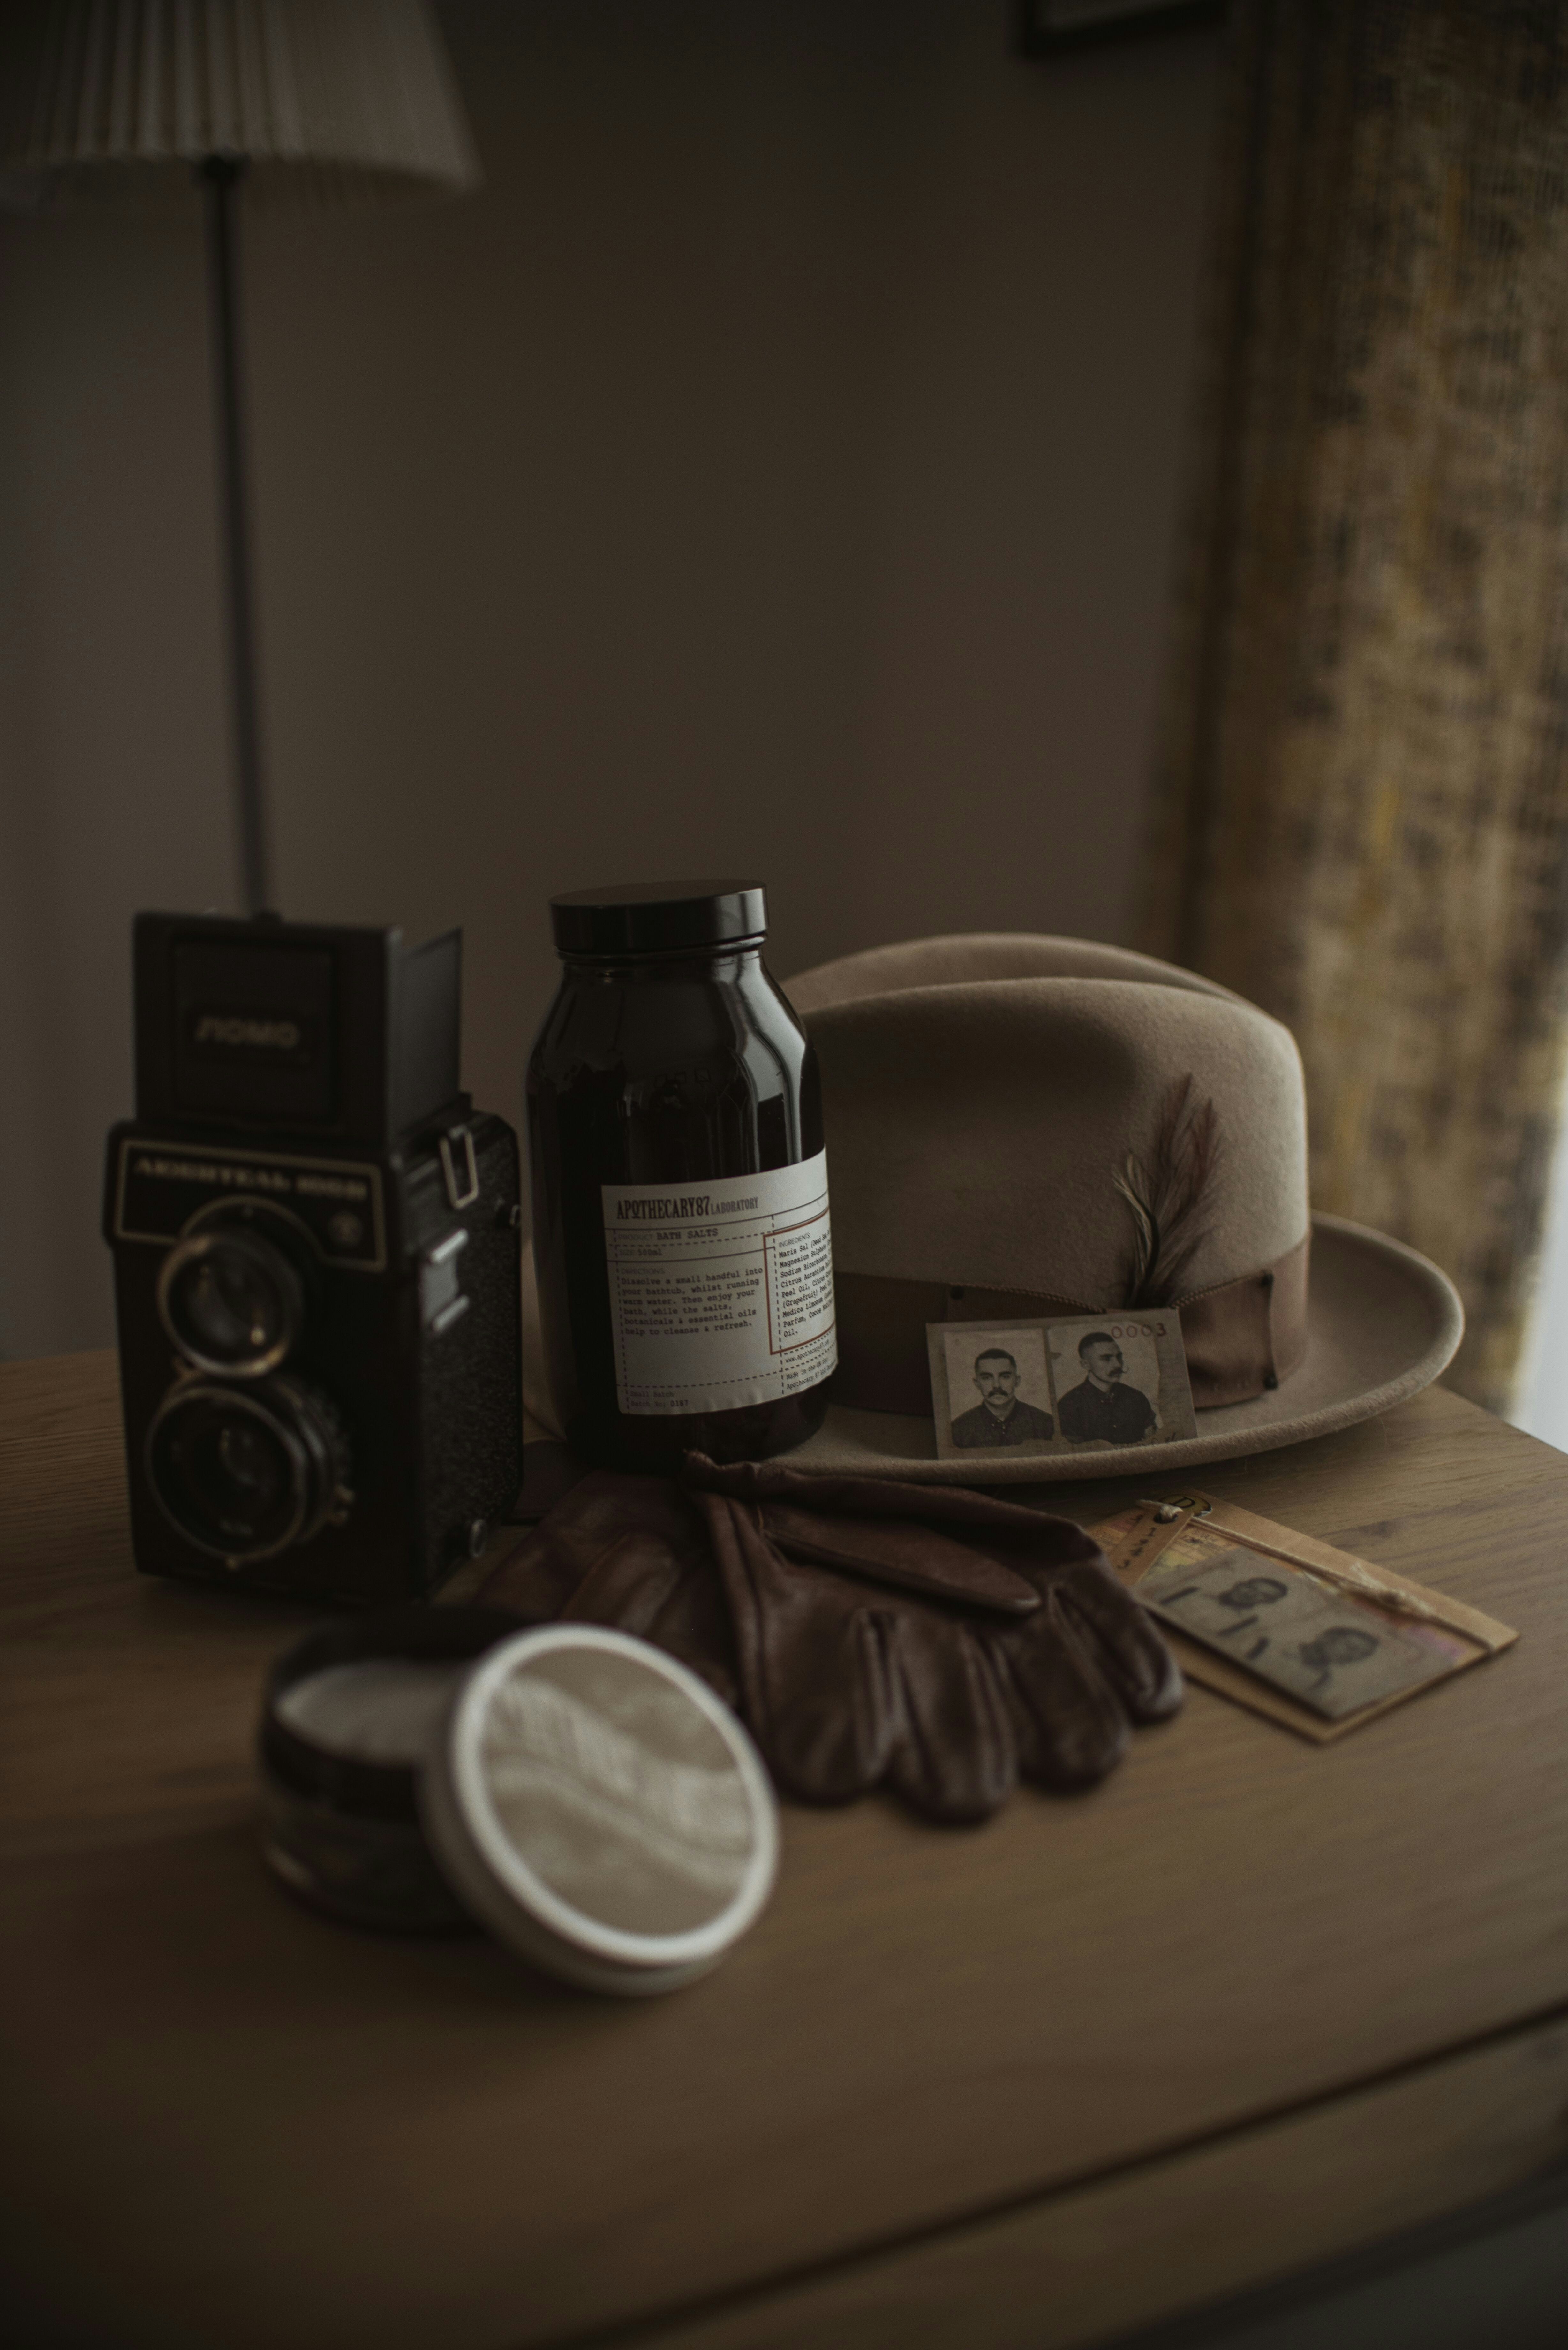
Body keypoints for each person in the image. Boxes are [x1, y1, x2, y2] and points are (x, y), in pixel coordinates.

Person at [1056, 1331, 1157, 1446]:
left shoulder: (1136, 1398)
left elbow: (1152, 1439)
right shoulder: (1069, 1406)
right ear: (1086, 1365)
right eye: (1106, 1359)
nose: (1118, 1365)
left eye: (1119, 1357)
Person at [949, 1346, 1054, 1447]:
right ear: (977, 1384)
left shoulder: (1046, 1424)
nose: (997, 1385)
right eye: (987, 1378)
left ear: (1017, 1381)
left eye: (1005, 1377)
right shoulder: (958, 1430)